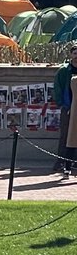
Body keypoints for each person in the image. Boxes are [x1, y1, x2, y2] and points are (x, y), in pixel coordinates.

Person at [53, 45, 77, 176]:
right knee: (65, 136)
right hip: (68, 108)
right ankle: (61, 161)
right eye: (75, 53)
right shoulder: (64, 71)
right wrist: (62, 104)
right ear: (71, 55)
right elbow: (57, 88)